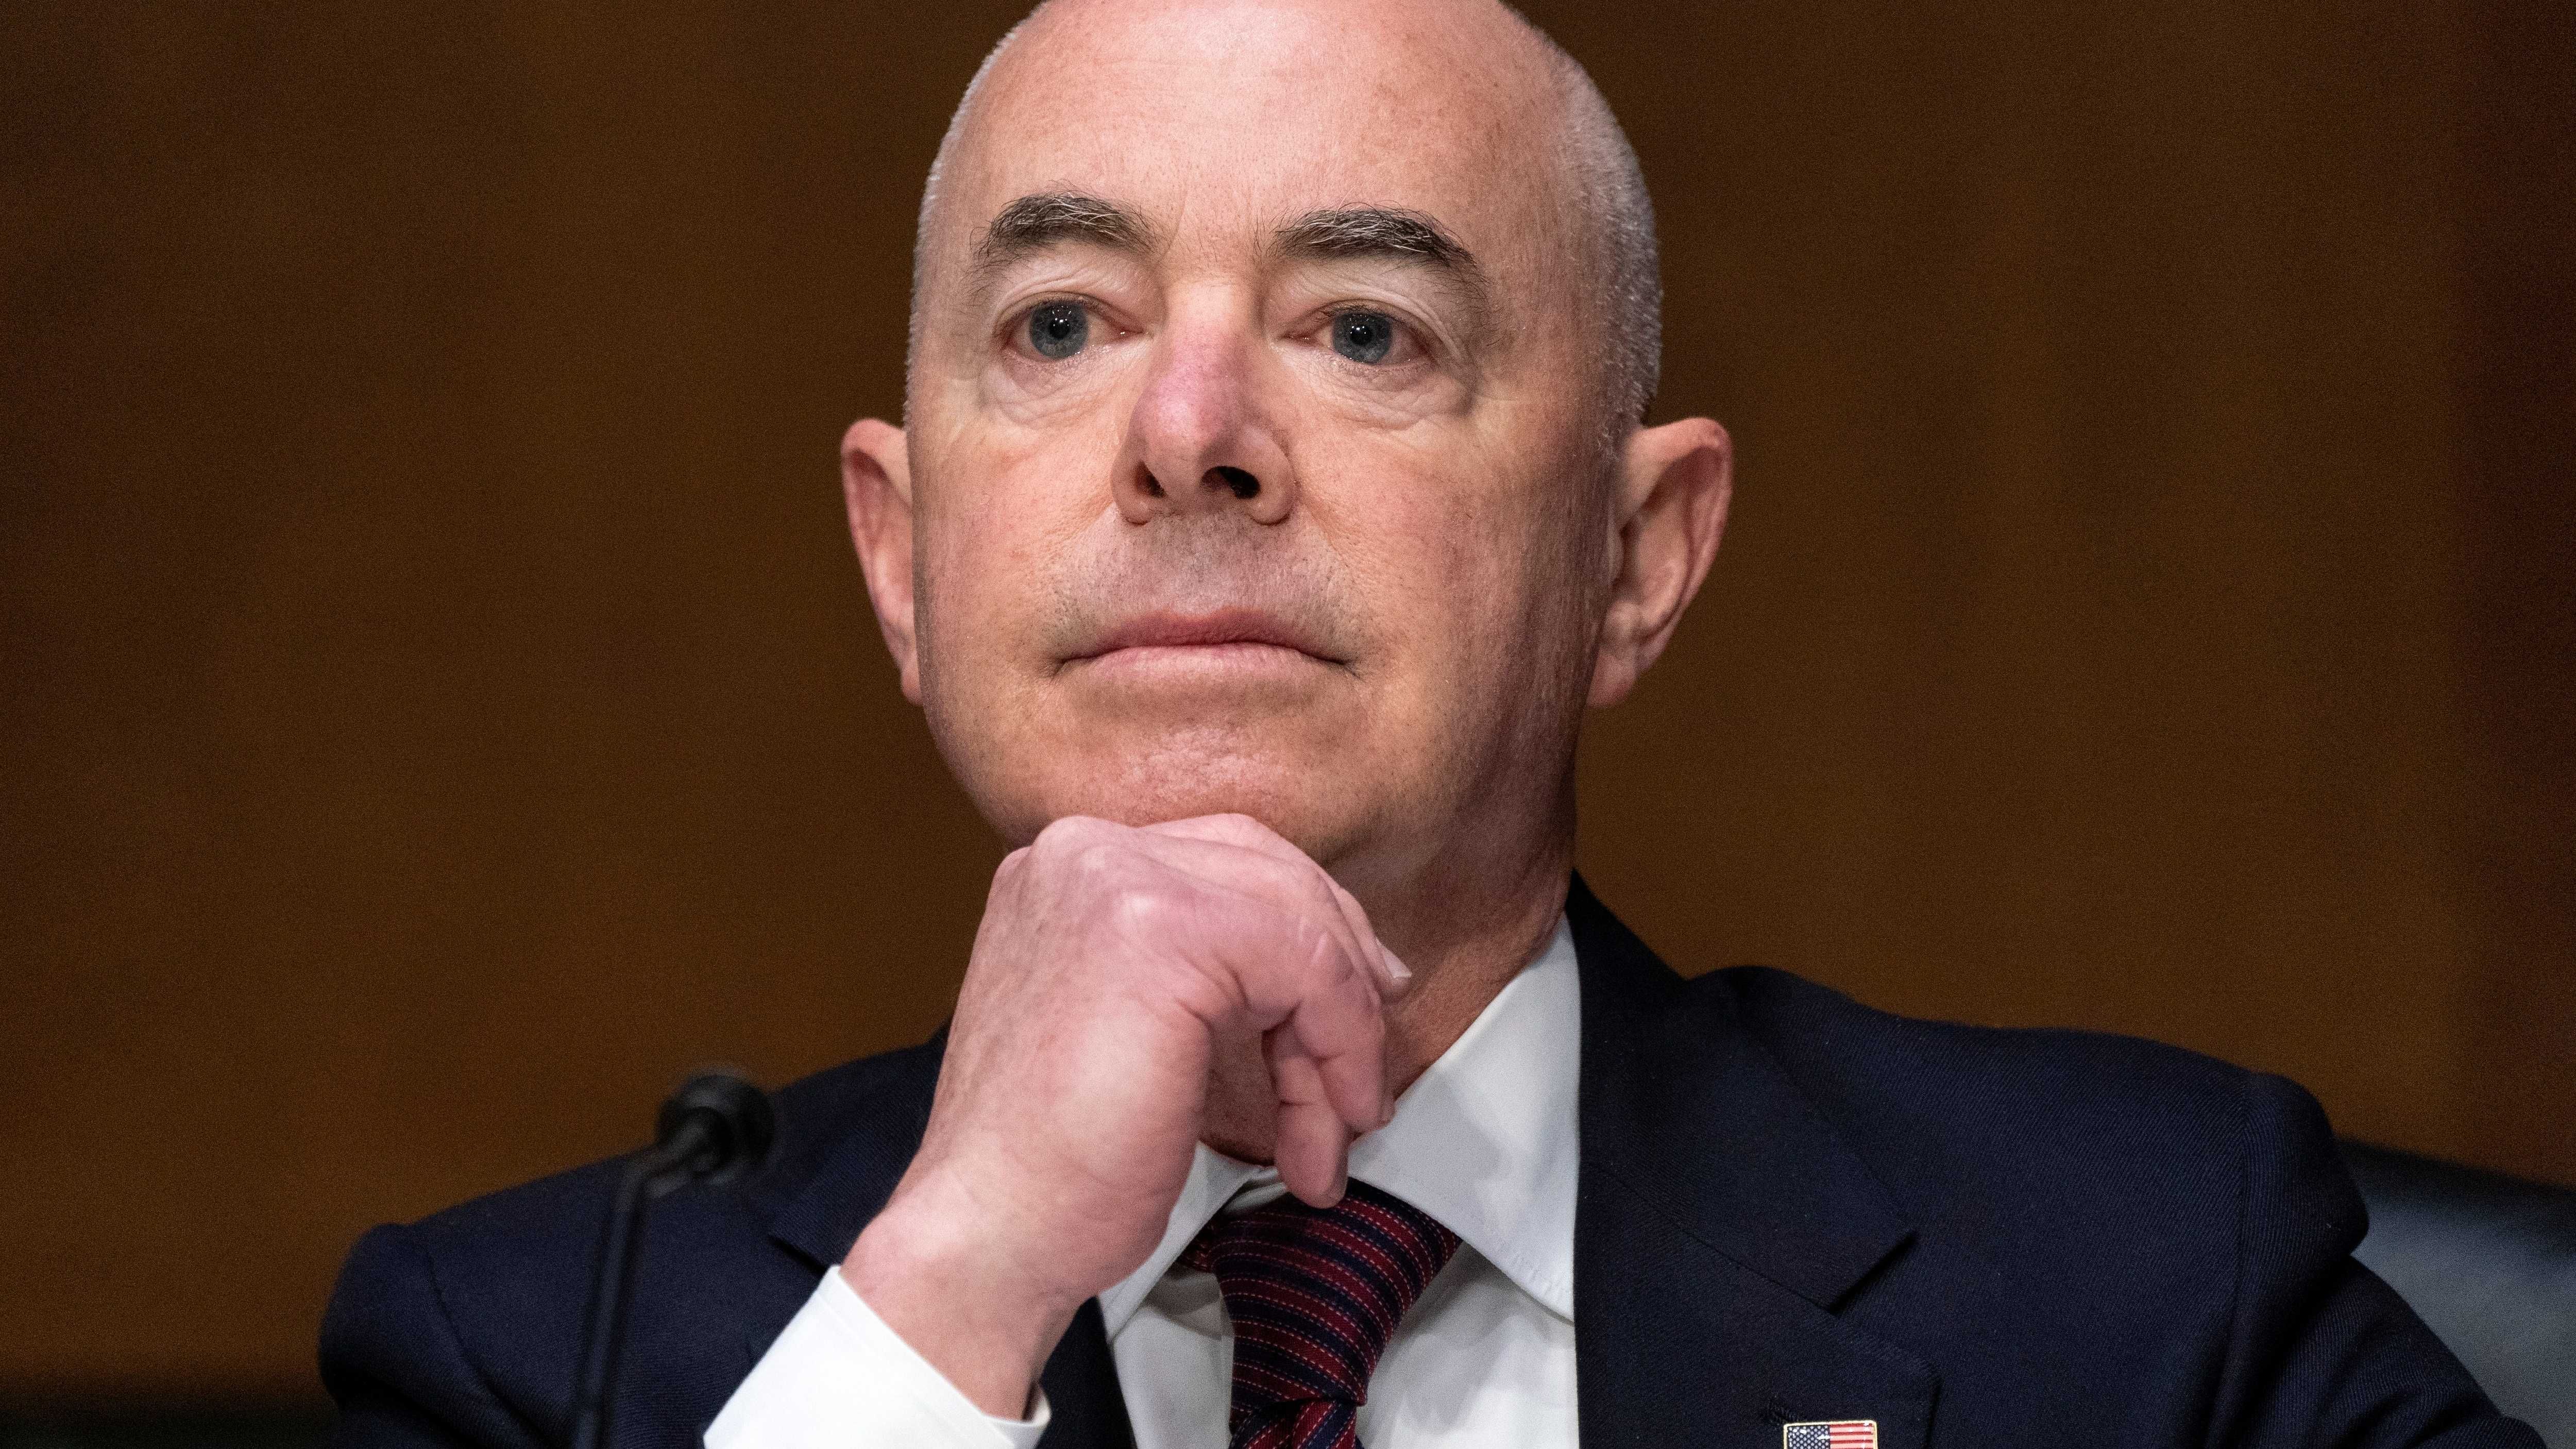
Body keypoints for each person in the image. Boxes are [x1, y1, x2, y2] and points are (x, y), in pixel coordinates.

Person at [317, 0, 2541, 1445]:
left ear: (1635, 555)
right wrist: (955, 1292)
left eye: (1365, 329)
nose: (1189, 430)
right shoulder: (535, 1357)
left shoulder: (2139, 1282)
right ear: (904, 560)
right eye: (1062, 322)